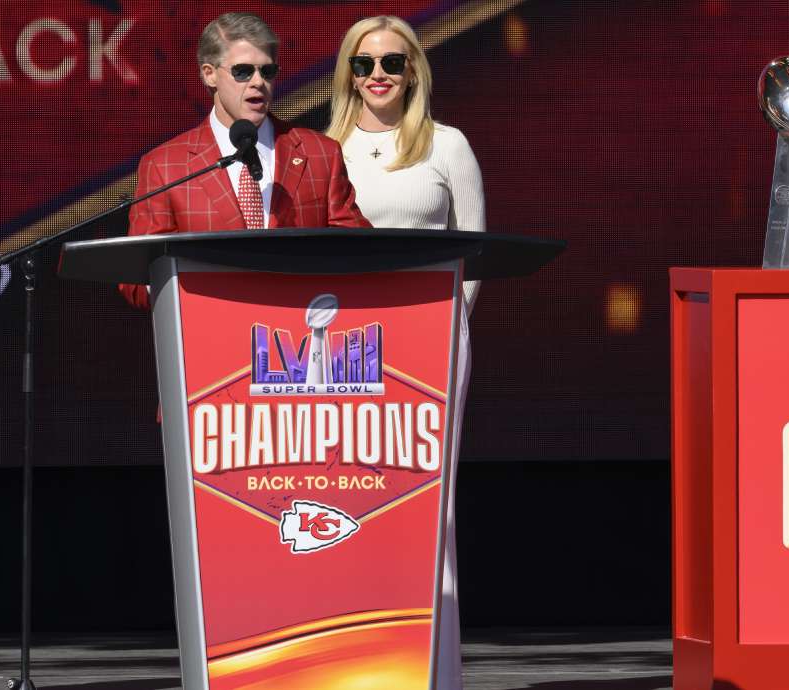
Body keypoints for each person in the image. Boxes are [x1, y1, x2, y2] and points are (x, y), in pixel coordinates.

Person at [327, 15, 485, 690]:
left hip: (430, 341)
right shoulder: (321, 149)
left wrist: (443, 329)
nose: (378, 75)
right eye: (364, 64)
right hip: (340, 352)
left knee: (427, 504)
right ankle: (349, 664)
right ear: (348, 74)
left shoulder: (447, 145)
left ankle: (435, 673)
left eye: (392, 61)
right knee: (346, 494)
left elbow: (475, 253)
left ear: (414, 69)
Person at [119, 12, 369, 308]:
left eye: (268, 71)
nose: (258, 82)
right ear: (209, 74)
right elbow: (136, 283)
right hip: (213, 326)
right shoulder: (164, 166)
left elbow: (361, 251)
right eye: (242, 72)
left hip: (300, 325)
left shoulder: (320, 153)